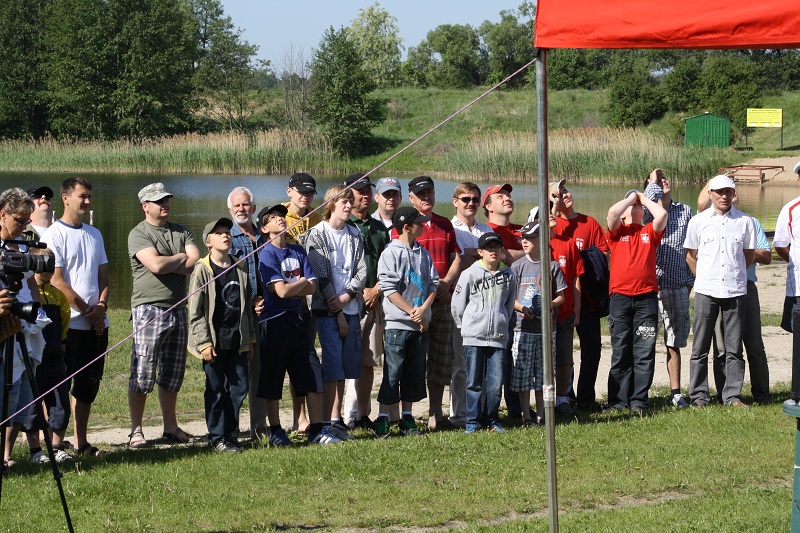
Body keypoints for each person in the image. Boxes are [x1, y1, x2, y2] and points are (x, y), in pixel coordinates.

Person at [256, 204, 340, 446]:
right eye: (273, 218)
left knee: (312, 371)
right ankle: (276, 431)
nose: (280, 220)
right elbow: (280, 292)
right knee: (273, 376)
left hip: (298, 320)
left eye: (281, 216)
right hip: (274, 322)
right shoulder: (267, 254)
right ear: (264, 228)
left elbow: (313, 288)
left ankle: (316, 429)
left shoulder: (298, 251)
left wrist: (299, 286)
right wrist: (301, 282)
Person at [127, 182, 200, 445]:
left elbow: (195, 261)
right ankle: (136, 430)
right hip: (148, 310)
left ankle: (171, 427)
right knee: (142, 372)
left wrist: (176, 260)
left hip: (178, 308)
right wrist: (179, 258)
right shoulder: (138, 234)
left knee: (172, 373)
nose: (165, 204)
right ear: (145, 206)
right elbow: (155, 265)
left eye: (166, 200)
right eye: (159, 201)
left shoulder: (181, 230)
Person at [42, 178, 110, 457]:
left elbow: (104, 276)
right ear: (66, 198)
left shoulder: (95, 234)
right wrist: (87, 312)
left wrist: (102, 307)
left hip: (97, 325)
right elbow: (57, 281)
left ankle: (81, 442)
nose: (87, 201)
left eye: (90, 196)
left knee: (88, 385)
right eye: (82, 196)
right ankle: (54, 444)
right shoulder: (53, 235)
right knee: (60, 385)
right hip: (69, 325)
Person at [392, 176, 462, 431]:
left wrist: (446, 282)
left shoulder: (445, 224)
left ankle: (435, 413)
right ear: (411, 198)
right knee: (410, 359)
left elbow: (456, 257)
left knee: (441, 359)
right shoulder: (403, 226)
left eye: (430, 192)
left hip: (442, 300)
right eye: (421, 194)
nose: (426, 197)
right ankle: (405, 414)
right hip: (413, 305)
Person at [684, 175, 755, 408]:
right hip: (706, 291)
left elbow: (748, 256)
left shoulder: (745, 222)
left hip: (735, 291)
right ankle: (699, 397)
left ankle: (732, 396)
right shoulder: (698, 221)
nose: (724, 196)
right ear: (711, 194)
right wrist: (703, 277)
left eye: (728, 192)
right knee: (700, 348)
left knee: (734, 348)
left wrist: (735, 275)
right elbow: (690, 255)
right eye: (719, 192)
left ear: (734, 194)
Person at [188, 217, 255, 453]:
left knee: (239, 388)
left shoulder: (240, 266)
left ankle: (229, 433)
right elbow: (195, 312)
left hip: (237, 341)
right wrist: (204, 343)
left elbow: (246, 308)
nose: (225, 235)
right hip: (214, 343)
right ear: (208, 241)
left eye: (227, 232)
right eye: (219, 233)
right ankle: (217, 437)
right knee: (216, 390)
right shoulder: (202, 270)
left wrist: (250, 339)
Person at [305, 185, 367, 441]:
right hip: (326, 310)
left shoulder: (354, 234)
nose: (348, 206)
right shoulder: (316, 234)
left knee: (345, 367)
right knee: (332, 366)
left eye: (350, 202)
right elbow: (320, 273)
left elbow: (362, 270)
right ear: (330, 203)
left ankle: (337, 420)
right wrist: (337, 306)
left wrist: (348, 296)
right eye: (344, 201)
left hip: (350, 308)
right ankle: (327, 423)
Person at [374, 206, 439, 437]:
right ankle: (383, 417)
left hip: (419, 323)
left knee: (414, 371)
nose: (423, 225)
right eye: (418, 223)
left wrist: (424, 310)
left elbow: (433, 284)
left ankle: (407, 417)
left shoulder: (424, 253)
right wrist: (412, 311)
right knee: (393, 371)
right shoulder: (390, 253)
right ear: (406, 227)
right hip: (397, 324)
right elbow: (389, 289)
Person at [604, 189, 666, 414]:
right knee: (621, 350)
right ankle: (618, 401)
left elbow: (661, 215)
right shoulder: (617, 232)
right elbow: (612, 212)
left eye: (639, 204)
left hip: (646, 298)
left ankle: (639, 401)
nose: (636, 205)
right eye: (632, 204)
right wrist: (631, 198)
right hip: (620, 297)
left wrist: (643, 198)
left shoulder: (649, 231)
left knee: (643, 350)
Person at [550, 178, 610, 412]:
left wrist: (584, 257)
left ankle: (585, 398)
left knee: (592, 350)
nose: (564, 194)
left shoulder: (589, 223)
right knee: (563, 353)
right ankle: (566, 397)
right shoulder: (551, 225)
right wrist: (553, 208)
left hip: (587, 298)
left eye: (565, 190)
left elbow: (603, 256)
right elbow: (545, 235)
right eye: (557, 192)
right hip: (561, 300)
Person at [451, 232, 517, 433]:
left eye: (497, 247)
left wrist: (501, 321)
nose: (493, 251)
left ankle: (492, 419)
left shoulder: (508, 275)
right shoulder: (470, 273)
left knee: (496, 383)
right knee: (473, 381)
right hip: (473, 335)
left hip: (497, 337)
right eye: (489, 248)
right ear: (480, 252)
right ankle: (473, 421)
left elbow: (509, 304)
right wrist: (466, 327)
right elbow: (457, 304)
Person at [1, 188, 47, 466]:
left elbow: (32, 282)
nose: (24, 226)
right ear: (2, 214)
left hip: (26, 325)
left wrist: (38, 311)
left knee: (22, 394)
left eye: (28, 221)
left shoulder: (23, 244)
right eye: (19, 220)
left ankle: (6, 453)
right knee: (5, 389)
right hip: (3, 326)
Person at [341, 174, 391, 430]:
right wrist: (357, 292)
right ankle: (340, 416)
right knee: (346, 360)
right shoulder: (342, 225)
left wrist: (377, 289)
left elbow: (389, 265)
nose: (365, 196)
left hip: (374, 302)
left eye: (367, 191)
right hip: (348, 303)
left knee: (368, 360)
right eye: (359, 191)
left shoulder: (379, 227)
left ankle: (362, 414)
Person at [642, 169, 695, 408]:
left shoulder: (685, 211)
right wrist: (653, 182)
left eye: (665, 178)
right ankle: (640, 394)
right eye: (658, 180)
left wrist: (688, 282)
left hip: (676, 286)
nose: (663, 181)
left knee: (674, 342)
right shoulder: (644, 211)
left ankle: (676, 393)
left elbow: (693, 249)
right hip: (649, 290)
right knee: (645, 342)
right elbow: (644, 200)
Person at [511, 220, 567, 426]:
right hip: (522, 328)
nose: (524, 241)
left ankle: (543, 414)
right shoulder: (517, 266)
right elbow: (511, 299)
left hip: (545, 330)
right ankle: (526, 414)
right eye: (522, 238)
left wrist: (548, 305)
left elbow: (561, 296)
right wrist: (522, 309)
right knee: (523, 374)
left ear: (542, 240)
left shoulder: (552, 266)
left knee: (543, 374)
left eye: (530, 238)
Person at [449, 182, 492, 428]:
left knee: (484, 362)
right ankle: (460, 414)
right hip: (461, 303)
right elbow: (457, 260)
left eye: (475, 199)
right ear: (455, 201)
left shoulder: (485, 228)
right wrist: (472, 255)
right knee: (461, 362)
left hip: (486, 302)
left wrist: (471, 255)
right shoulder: (450, 228)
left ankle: (482, 412)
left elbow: (497, 258)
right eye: (465, 199)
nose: (471, 204)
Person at [227, 186, 266, 440]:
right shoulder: (226, 237)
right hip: (240, 314)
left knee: (260, 373)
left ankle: (259, 429)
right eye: (237, 206)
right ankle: (230, 430)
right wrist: (250, 300)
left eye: (246, 205)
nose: (242, 209)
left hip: (266, 312)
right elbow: (229, 278)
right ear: (230, 210)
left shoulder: (264, 236)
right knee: (238, 373)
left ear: (253, 207)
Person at [282, 172, 320, 434]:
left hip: (309, 301)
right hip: (286, 301)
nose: (305, 197)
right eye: (300, 192)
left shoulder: (316, 218)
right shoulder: (279, 217)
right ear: (289, 192)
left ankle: (302, 417)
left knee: (304, 361)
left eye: (309, 193)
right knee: (282, 360)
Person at [27, 246, 73, 464]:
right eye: (43, 265)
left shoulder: (58, 295)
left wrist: (62, 353)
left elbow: (64, 325)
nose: (48, 270)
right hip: (35, 359)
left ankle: (57, 447)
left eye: (51, 265)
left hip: (55, 358)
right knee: (33, 405)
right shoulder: (28, 293)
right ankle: (35, 450)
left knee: (60, 403)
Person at [541, 199, 584, 417]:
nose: (551, 214)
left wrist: (576, 308)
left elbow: (576, 277)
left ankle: (562, 399)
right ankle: (542, 402)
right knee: (542, 359)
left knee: (565, 358)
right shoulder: (533, 245)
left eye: (552, 212)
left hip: (565, 312)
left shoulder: (568, 243)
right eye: (546, 212)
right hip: (539, 316)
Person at [775, 160, 800, 404]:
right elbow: (781, 245)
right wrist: (794, 260)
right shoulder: (791, 209)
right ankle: (797, 393)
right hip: (799, 287)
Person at [483, 183, 524, 263]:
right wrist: (529, 251)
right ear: (489, 206)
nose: (507, 199)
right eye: (500, 197)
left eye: (509, 196)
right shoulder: (485, 231)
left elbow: (542, 250)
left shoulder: (522, 229)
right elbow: (504, 257)